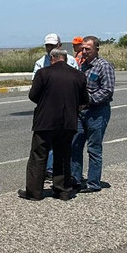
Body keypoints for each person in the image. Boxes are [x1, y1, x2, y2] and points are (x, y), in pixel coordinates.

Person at [19, 49, 88, 201]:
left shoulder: (43, 73)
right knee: (63, 156)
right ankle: (63, 190)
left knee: (39, 155)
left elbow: (33, 95)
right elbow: (84, 99)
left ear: (52, 59)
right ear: (65, 58)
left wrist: (46, 102)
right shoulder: (79, 75)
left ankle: (34, 192)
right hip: (68, 121)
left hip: (45, 120)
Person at [71, 36, 115, 193]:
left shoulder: (104, 66)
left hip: (97, 112)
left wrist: (88, 101)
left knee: (94, 148)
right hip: (80, 112)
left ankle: (93, 183)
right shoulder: (82, 66)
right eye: (82, 48)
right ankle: (75, 179)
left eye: (87, 49)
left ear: (96, 49)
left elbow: (107, 91)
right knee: (75, 146)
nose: (84, 52)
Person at [32, 33, 80, 180]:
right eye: (48, 46)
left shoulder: (71, 61)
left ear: (59, 45)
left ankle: (59, 176)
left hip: (66, 110)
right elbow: (34, 89)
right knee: (43, 146)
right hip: (47, 111)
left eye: (53, 45)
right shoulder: (41, 63)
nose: (50, 48)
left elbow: (78, 82)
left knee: (62, 146)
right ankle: (48, 172)